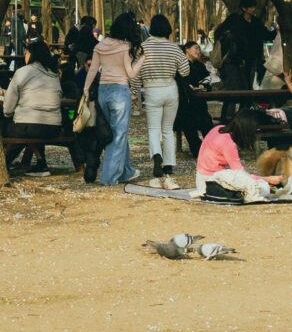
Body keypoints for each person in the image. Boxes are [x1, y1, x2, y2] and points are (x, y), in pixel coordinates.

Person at [80, 12, 139, 186]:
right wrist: (142, 59)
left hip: (103, 92)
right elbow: (131, 73)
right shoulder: (125, 46)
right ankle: (109, 177)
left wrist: (85, 88)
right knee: (118, 135)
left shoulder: (101, 45)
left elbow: (93, 69)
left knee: (114, 133)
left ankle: (126, 171)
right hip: (120, 90)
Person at [134, 13, 190, 178]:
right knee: (167, 129)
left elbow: (135, 74)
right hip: (171, 89)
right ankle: (169, 164)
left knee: (153, 128)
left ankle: (156, 155)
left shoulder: (143, 47)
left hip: (151, 90)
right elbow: (185, 71)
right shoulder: (174, 47)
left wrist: (134, 93)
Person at [0, 40, 67, 172]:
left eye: (26, 52)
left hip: (29, 126)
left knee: (6, 124)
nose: (25, 55)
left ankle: (4, 162)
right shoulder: (54, 74)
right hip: (53, 127)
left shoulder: (23, 72)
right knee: (32, 126)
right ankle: (40, 162)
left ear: (32, 54)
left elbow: (7, 108)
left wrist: (9, 113)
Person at [192, 119, 270, 202]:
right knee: (263, 187)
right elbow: (241, 173)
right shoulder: (228, 143)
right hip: (213, 182)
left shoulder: (219, 128)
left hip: (202, 179)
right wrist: (266, 179)